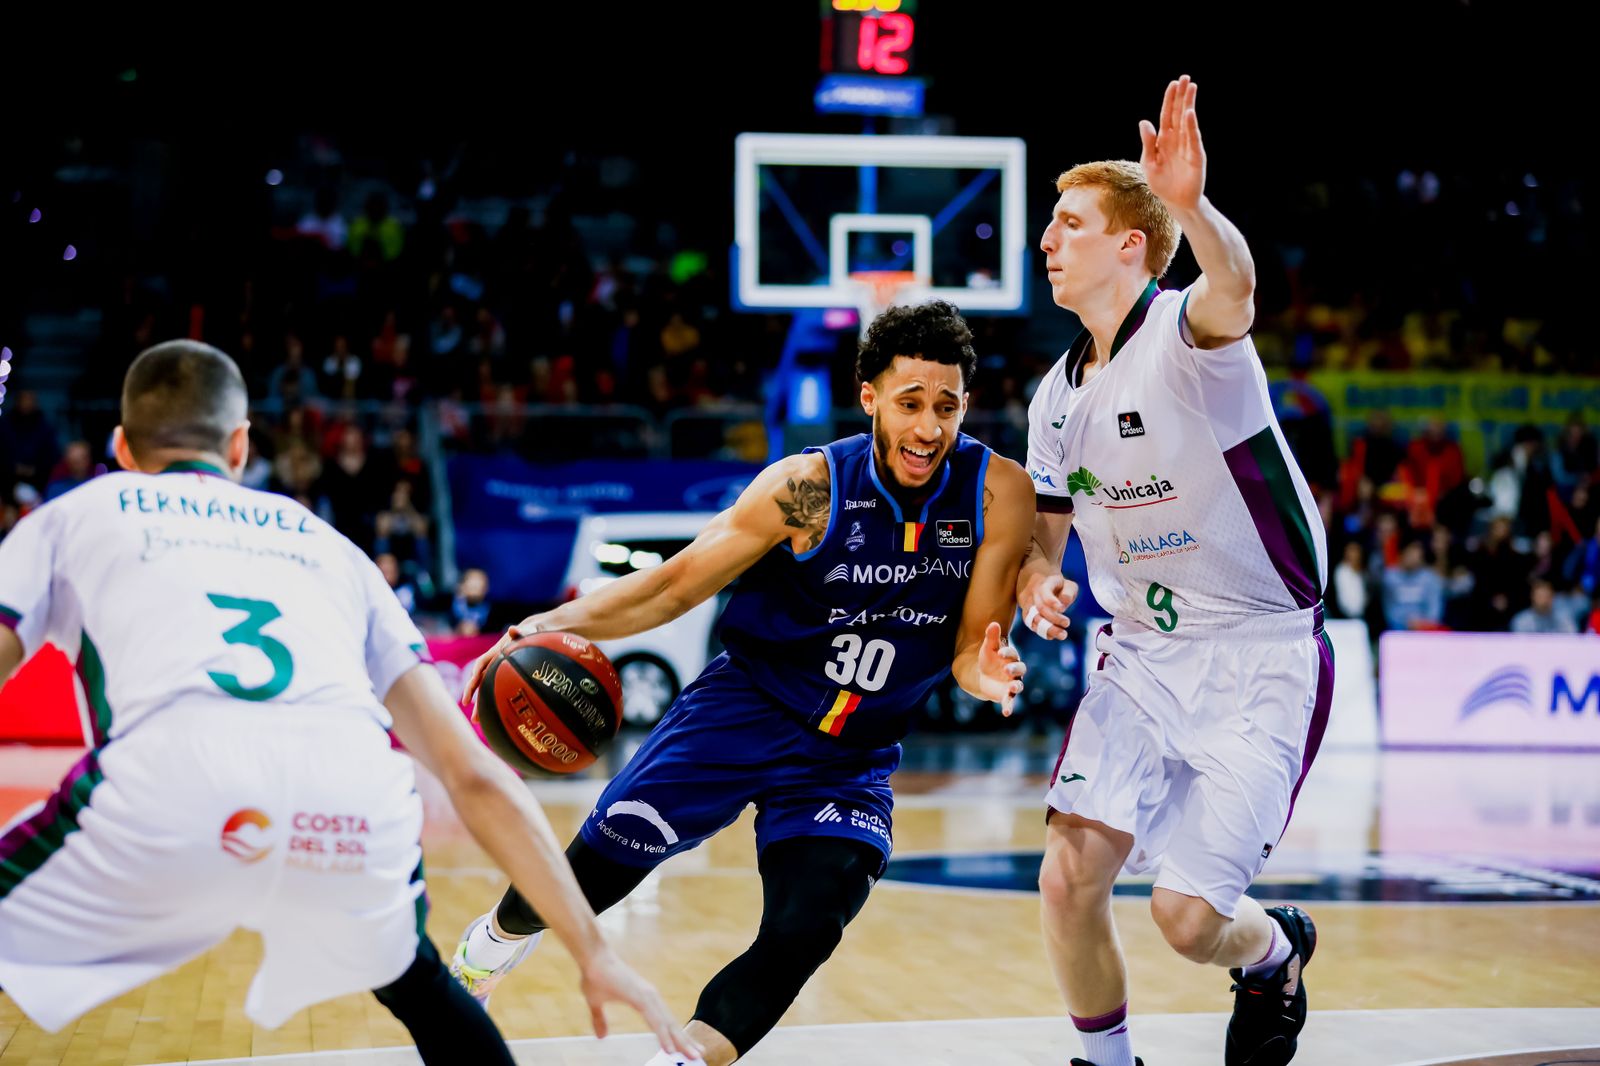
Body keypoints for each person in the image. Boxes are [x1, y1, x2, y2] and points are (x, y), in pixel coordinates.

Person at [0, 341, 696, 1064]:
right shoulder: (330, 545)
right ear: (240, 445)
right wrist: (591, 948)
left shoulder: (73, 514)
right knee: (419, 983)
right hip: (352, 810)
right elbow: (471, 774)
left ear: (119, 446)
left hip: (167, 787)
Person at [453, 301, 1035, 1066]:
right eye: (911, 403)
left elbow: (969, 646)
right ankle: (491, 944)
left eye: (947, 406)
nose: (930, 427)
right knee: (595, 872)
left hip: (850, 756)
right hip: (745, 710)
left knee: (808, 925)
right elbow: (675, 587)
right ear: (869, 398)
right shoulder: (807, 488)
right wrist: (549, 626)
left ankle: (683, 1059)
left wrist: (984, 672)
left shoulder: (998, 494)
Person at [1018, 77, 1333, 1066]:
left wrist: (1190, 206)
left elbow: (1234, 286)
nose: (1046, 238)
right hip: (1140, 655)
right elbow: (1048, 522)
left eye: (1068, 222)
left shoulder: (1191, 339)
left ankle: (1273, 949)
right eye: (1047, 223)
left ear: (1129, 247)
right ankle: (1103, 1062)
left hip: (1259, 654)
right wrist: (1036, 578)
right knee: (1066, 877)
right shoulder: (1050, 399)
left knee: (1188, 921)